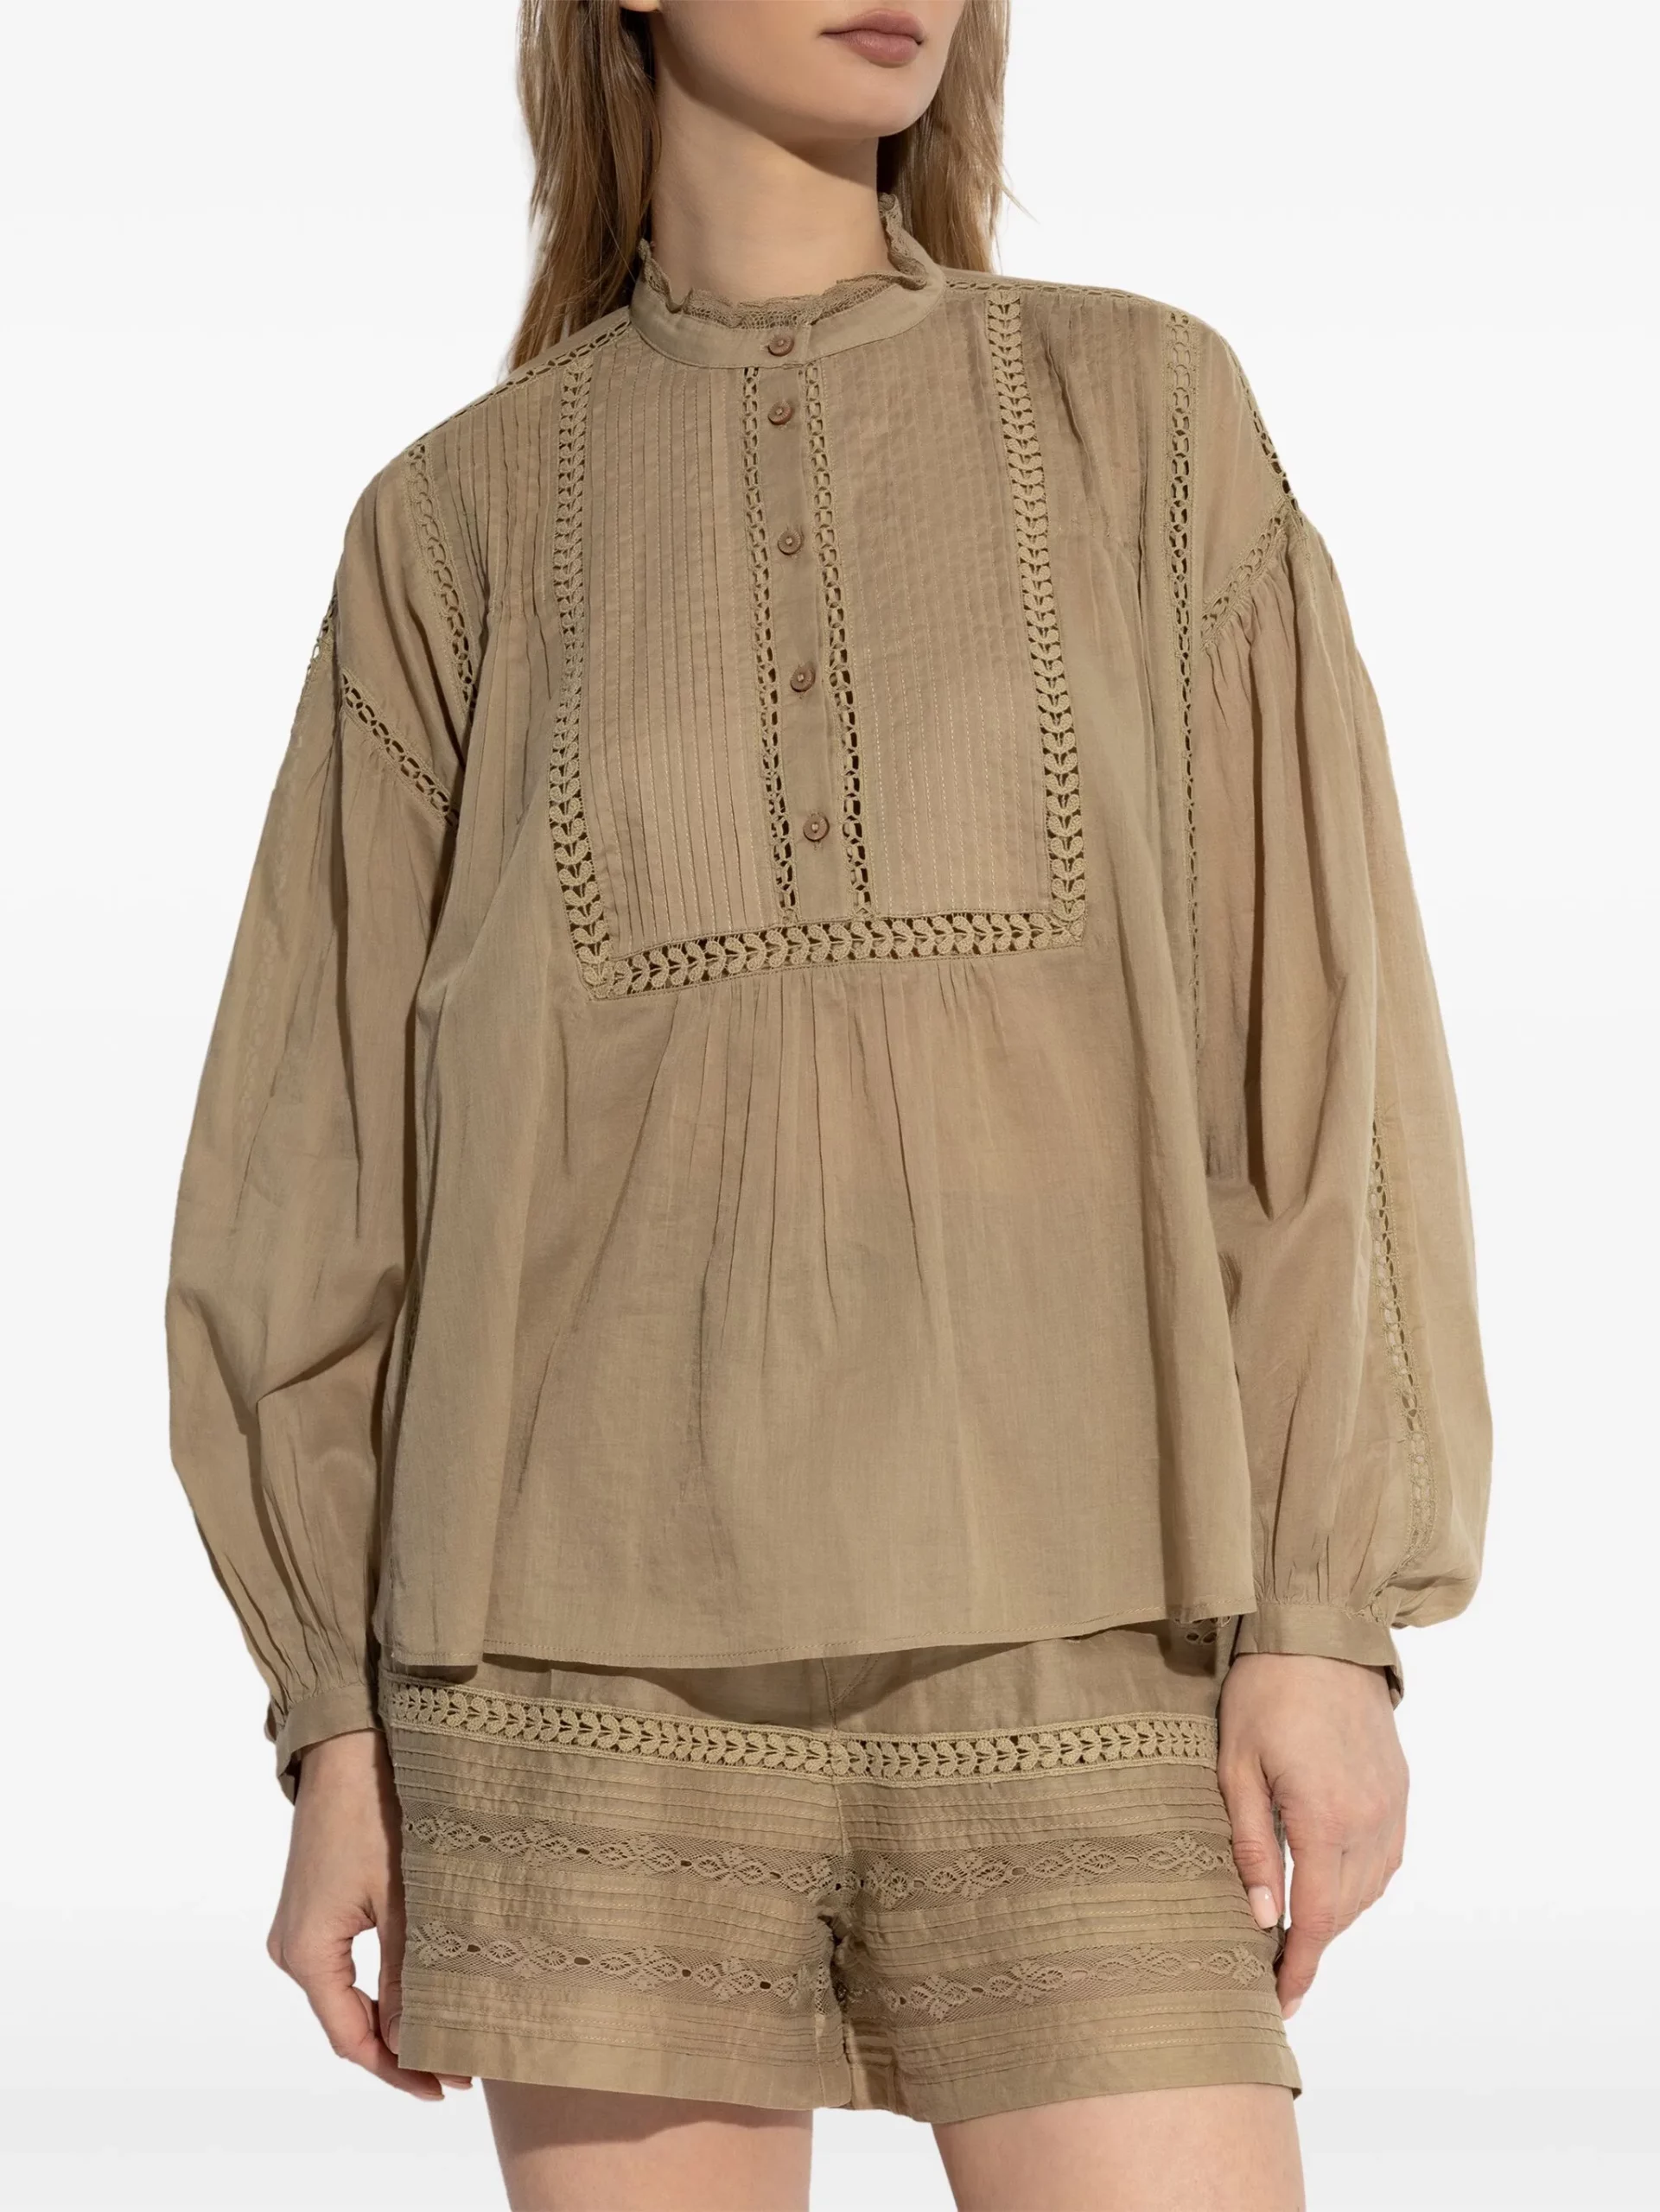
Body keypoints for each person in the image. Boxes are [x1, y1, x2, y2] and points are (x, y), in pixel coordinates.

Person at [163, 3, 1491, 2205]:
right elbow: (311, 1172)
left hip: (1091, 1633)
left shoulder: (1144, 411)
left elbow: (1317, 1063)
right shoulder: (451, 523)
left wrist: (1325, 1622)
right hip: (576, 1681)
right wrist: (333, 1717)